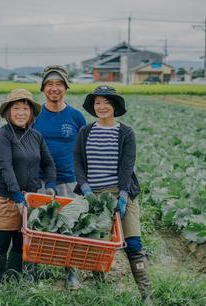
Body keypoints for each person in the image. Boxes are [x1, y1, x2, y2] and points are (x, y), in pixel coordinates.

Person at [73, 85, 152, 303]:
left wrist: (124, 195)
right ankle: (100, 289)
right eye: (98, 102)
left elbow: (127, 166)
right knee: (98, 244)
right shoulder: (85, 132)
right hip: (94, 196)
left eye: (106, 102)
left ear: (115, 106)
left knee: (133, 244)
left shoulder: (125, 132)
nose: (101, 106)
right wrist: (86, 188)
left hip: (121, 193)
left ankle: (146, 294)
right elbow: (78, 162)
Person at [0, 89, 57, 287]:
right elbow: (5, 168)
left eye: (25, 108)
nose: (21, 112)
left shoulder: (36, 136)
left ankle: (13, 278)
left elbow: (49, 164)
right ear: (8, 112)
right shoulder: (2, 135)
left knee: (20, 242)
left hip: (28, 199)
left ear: (31, 113)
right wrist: (16, 196)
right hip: (3, 198)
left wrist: (50, 185)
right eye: (16, 108)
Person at [32, 64, 86, 289]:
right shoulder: (34, 114)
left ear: (66, 87)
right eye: (50, 84)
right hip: (39, 180)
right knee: (35, 226)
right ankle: (31, 270)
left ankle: (71, 272)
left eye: (59, 84)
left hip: (69, 180)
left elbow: (85, 150)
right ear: (43, 88)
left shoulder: (75, 116)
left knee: (70, 227)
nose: (54, 89)